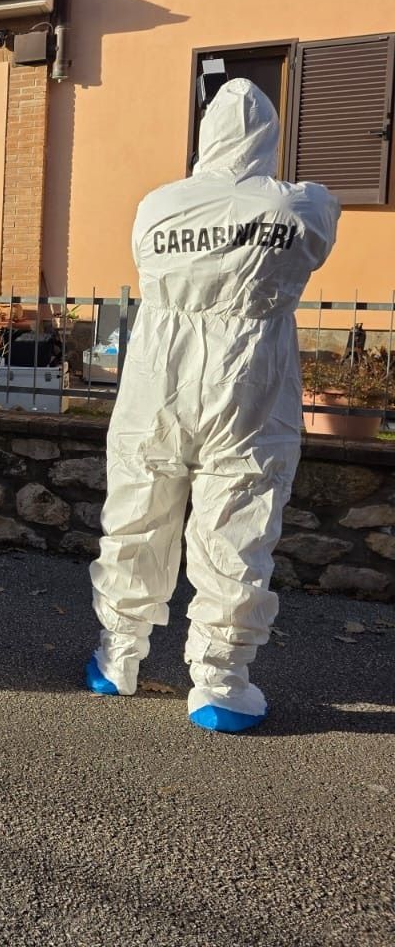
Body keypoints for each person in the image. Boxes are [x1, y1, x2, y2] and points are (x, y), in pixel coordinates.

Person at [86, 78, 339, 733]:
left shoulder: (159, 207)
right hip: (249, 375)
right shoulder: (301, 207)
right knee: (239, 519)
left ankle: (119, 656)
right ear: (269, 138)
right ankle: (221, 684)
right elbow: (318, 227)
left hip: (158, 370)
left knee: (139, 507)